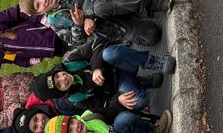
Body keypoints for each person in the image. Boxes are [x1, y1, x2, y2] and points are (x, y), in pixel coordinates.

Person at [31, 41, 175, 123]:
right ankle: (142, 82)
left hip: (119, 64)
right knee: (138, 100)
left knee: (109, 53)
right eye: (59, 85)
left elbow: (97, 44)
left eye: (57, 76)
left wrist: (96, 68)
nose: (63, 79)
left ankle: (155, 62)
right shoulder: (76, 99)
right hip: (118, 84)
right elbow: (102, 104)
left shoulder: (70, 61)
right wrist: (117, 100)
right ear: (60, 92)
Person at [19, 0, 172, 47]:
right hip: (113, 26)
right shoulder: (55, 23)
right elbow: (76, 41)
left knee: (99, 8)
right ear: (40, 13)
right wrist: (79, 25)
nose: (43, 0)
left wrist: (87, 15)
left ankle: (151, 4)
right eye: (38, 5)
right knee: (153, 35)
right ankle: (134, 15)